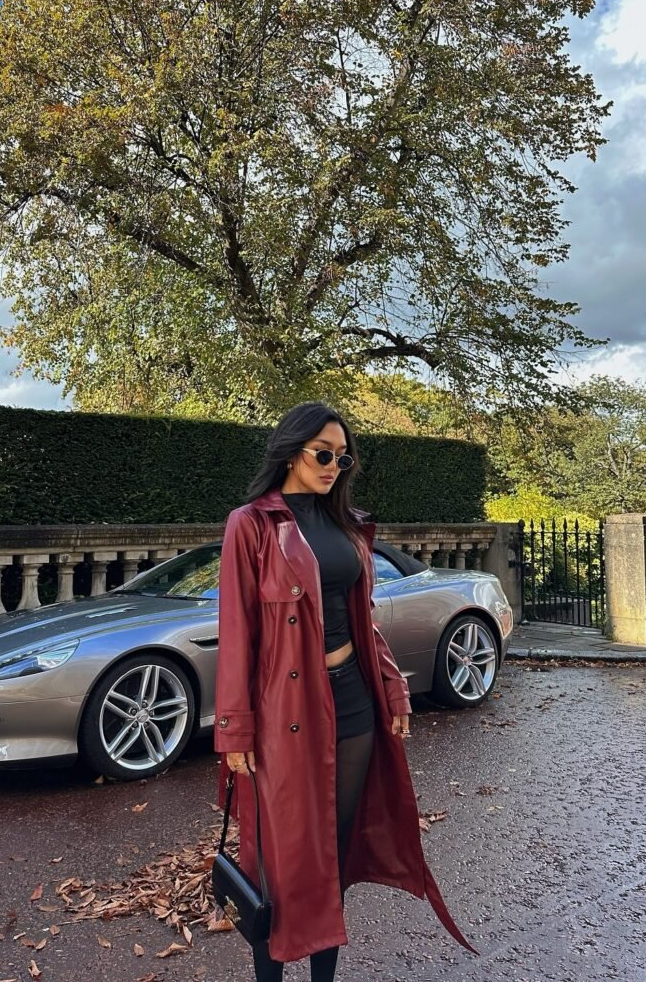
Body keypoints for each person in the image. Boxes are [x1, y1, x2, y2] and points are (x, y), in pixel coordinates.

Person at [214, 401, 478, 980]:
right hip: (285, 708)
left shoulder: (348, 525)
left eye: (343, 456)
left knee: (331, 851)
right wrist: (234, 727)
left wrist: (393, 688)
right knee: (276, 861)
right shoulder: (252, 524)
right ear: (292, 451)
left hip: (353, 698)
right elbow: (237, 632)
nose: (335, 464)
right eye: (324, 454)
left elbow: (366, 621)